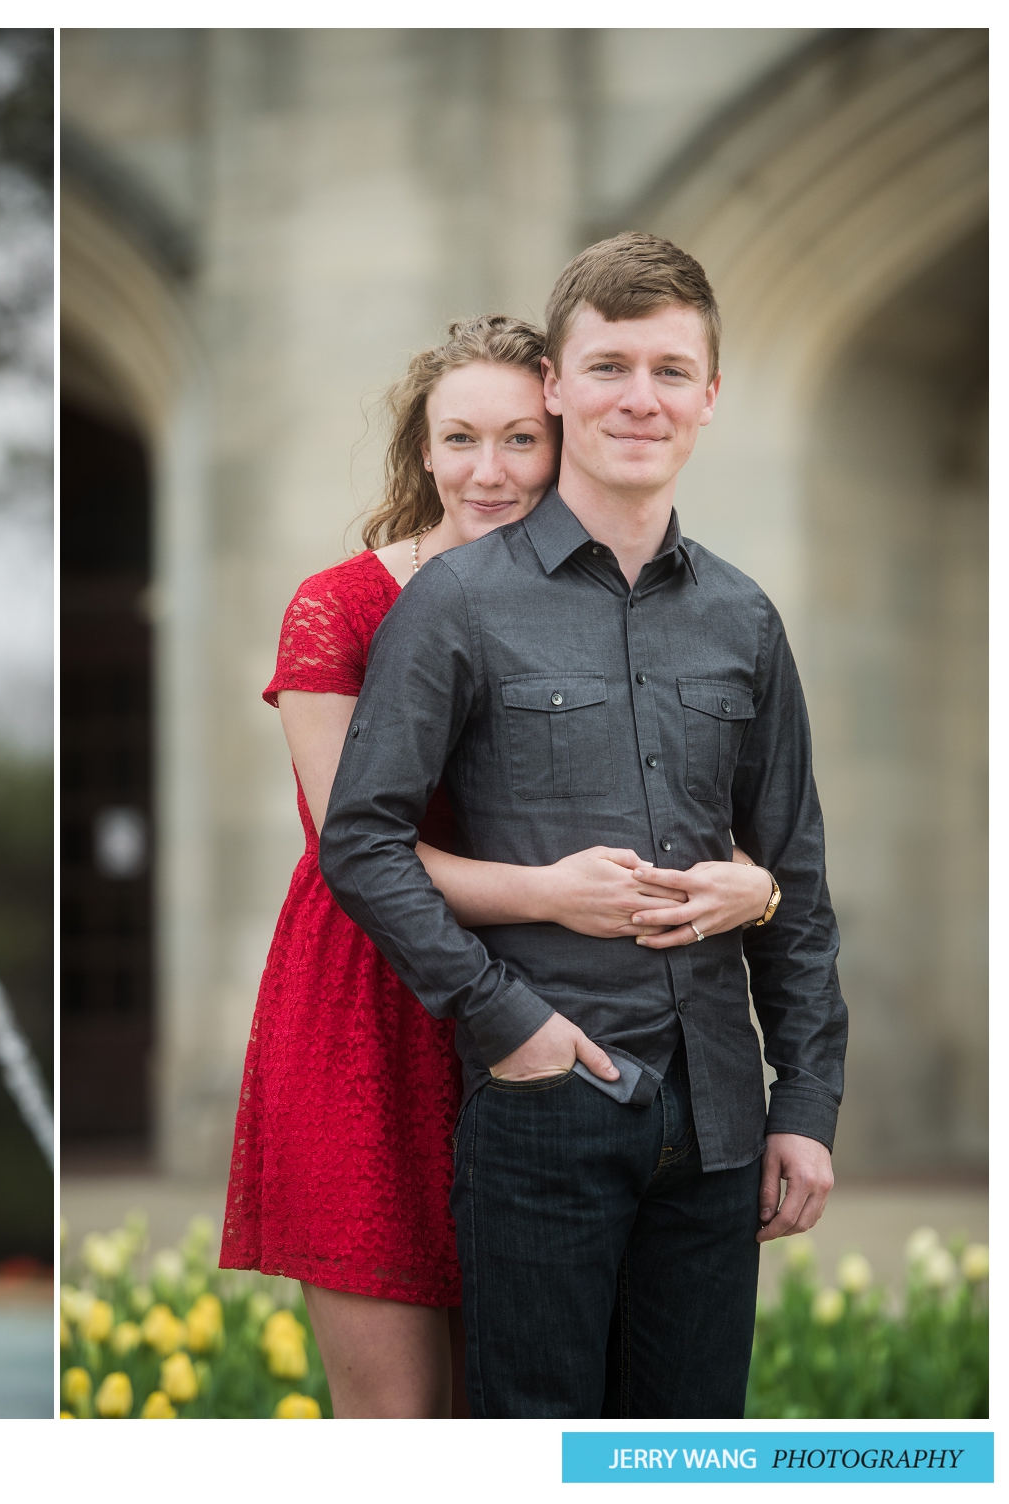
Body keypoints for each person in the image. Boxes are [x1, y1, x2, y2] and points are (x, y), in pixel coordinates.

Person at [319, 235, 845, 1418]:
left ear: (711, 397)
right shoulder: (456, 604)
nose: (639, 398)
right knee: (536, 1451)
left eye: (670, 370)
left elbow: (794, 872)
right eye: (609, 366)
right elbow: (362, 841)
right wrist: (511, 1025)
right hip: (545, 1102)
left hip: (719, 1119)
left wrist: (804, 1105)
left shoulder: (745, 618)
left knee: (688, 1452)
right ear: (556, 386)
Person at [220, 315, 774, 1417]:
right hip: (376, 1006)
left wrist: (750, 883)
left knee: (530, 1397)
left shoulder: (628, 590)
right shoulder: (342, 604)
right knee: (404, 1421)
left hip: (565, 992)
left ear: (562, 433)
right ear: (422, 450)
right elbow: (353, 846)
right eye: (460, 439)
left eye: (521, 440)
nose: (491, 471)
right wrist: (553, 894)